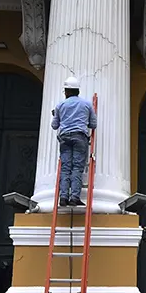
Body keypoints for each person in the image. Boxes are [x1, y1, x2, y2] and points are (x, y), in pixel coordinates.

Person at [51, 75, 96, 207]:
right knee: (77, 167)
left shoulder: (60, 105)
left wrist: (55, 115)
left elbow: (54, 126)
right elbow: (93, 124)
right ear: (78, 91)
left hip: (64, 138)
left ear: (66, 91)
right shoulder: (87, 104)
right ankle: (74, 197)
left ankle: (63, 197)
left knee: (65, 168)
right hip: (80, 137)